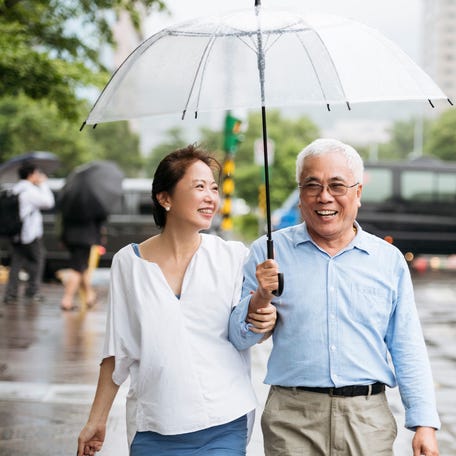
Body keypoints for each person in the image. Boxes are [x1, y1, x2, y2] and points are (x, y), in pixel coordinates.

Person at [229, 138, 440, 456]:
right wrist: (259, 298)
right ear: (300, 194)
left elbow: (407, 345)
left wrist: (424, 423)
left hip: (366, 420)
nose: (324, 197)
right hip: (291, 420)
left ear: (358, 193)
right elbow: (239, 338)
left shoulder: (387, 260)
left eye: (336, 186)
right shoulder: (267, 252)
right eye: (311, 185)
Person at [77, 145, 276, 456]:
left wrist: (264, 311)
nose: (211, 196)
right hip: (155, 425)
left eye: (213, 187)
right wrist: (97, 418)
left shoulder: (233, 256)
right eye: (199, 187)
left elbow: (247, 329)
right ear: (164, 198)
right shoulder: (128, 263)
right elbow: (118, 350)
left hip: (224, 421)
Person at [3, 162, 55, 304]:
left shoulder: (14, 189)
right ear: (31, 175)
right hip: (29, 234)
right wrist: (43, 184)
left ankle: (11, 293)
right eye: (37, 174)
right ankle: (33, 291)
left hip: (15, 234)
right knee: (37, 261)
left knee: (16, 263)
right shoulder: (30, 191)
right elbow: (49, 202)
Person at [59, 216, 104, 311]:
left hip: (71, 238)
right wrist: (99, 237)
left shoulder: (67, 201)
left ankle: (90, 296)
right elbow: (101, 216)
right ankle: (67, 300)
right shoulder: (89, 202)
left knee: (82, 268)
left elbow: (61, 219)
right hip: (85, 239)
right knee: (77, 270)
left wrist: (62, 237)